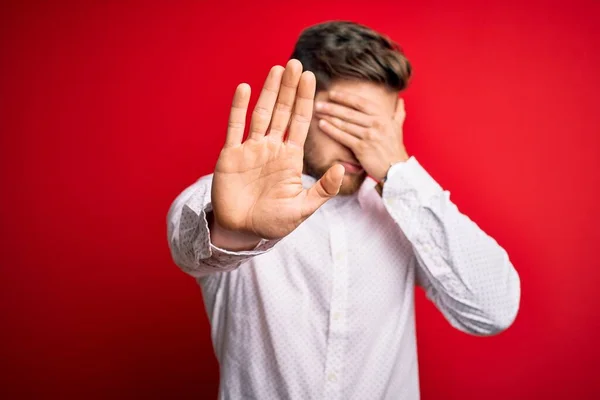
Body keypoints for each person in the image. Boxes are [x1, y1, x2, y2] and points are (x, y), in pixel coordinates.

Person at [167, 20, 520, 400]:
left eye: (376, 130)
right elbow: (188, 245)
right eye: (347, 122)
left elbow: (493, 309)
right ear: (300, 107)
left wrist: (399, 170)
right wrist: (233, 233)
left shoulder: (406, 212)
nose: (360, 147)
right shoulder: (235, 199)